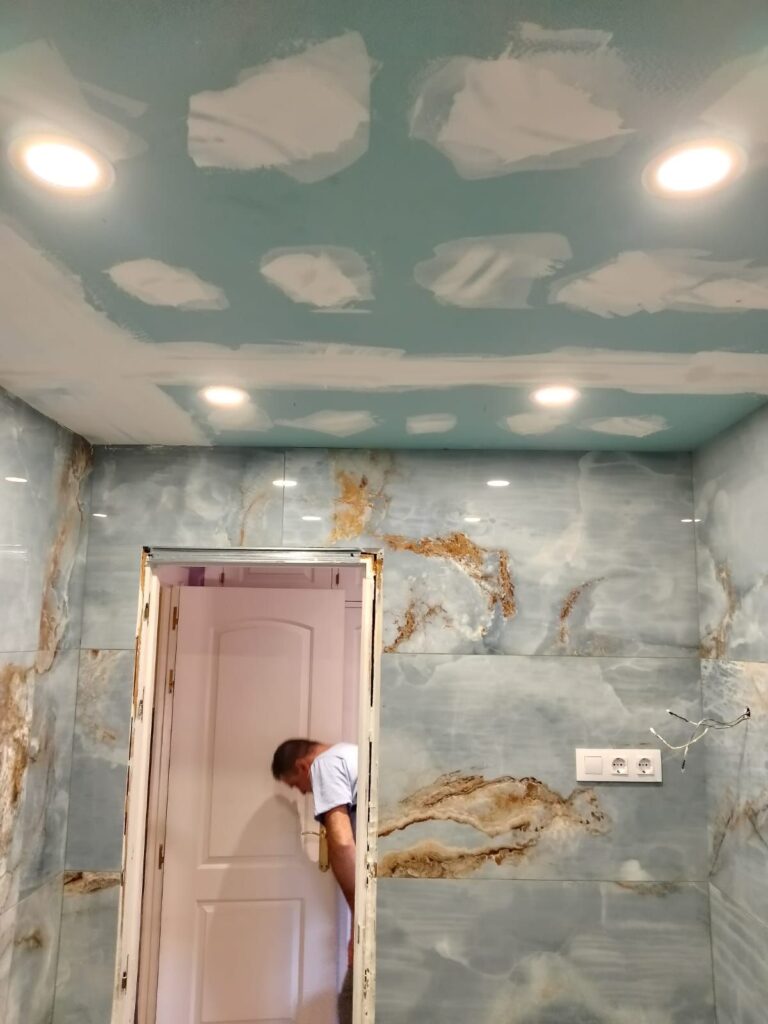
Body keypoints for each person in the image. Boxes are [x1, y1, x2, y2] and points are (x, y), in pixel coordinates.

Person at [271, 739, 358, 1024]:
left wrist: (359, 916)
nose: (303, 791)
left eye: (296, 785)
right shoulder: (354, 753)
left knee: (351, 1003)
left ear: (302, 766)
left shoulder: (325, 764)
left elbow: (342, 843)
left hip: (378, 903)